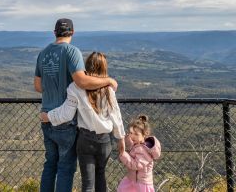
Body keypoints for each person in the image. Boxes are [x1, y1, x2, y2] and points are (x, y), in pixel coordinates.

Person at [34, 19, 118, 192]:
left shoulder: (42, 54)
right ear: (72, 32)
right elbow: (81, 81)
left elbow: (38, 86)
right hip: (65, 121)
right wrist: (107, 80)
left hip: (46, 117)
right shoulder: (72, 52)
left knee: (50, 165)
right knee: (65, 167)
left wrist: (53, 85)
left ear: (54, 32)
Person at [117, 115, 161, 192]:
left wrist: (123, 154)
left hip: (142, 182)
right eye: (131, 133)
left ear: (145, 135)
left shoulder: (143, 150)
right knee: (122, 189)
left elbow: (136, 165)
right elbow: (132, 145)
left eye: (136, 134)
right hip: (133, 179)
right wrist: (125, 139)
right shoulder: (137, 144)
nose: (132, 136)